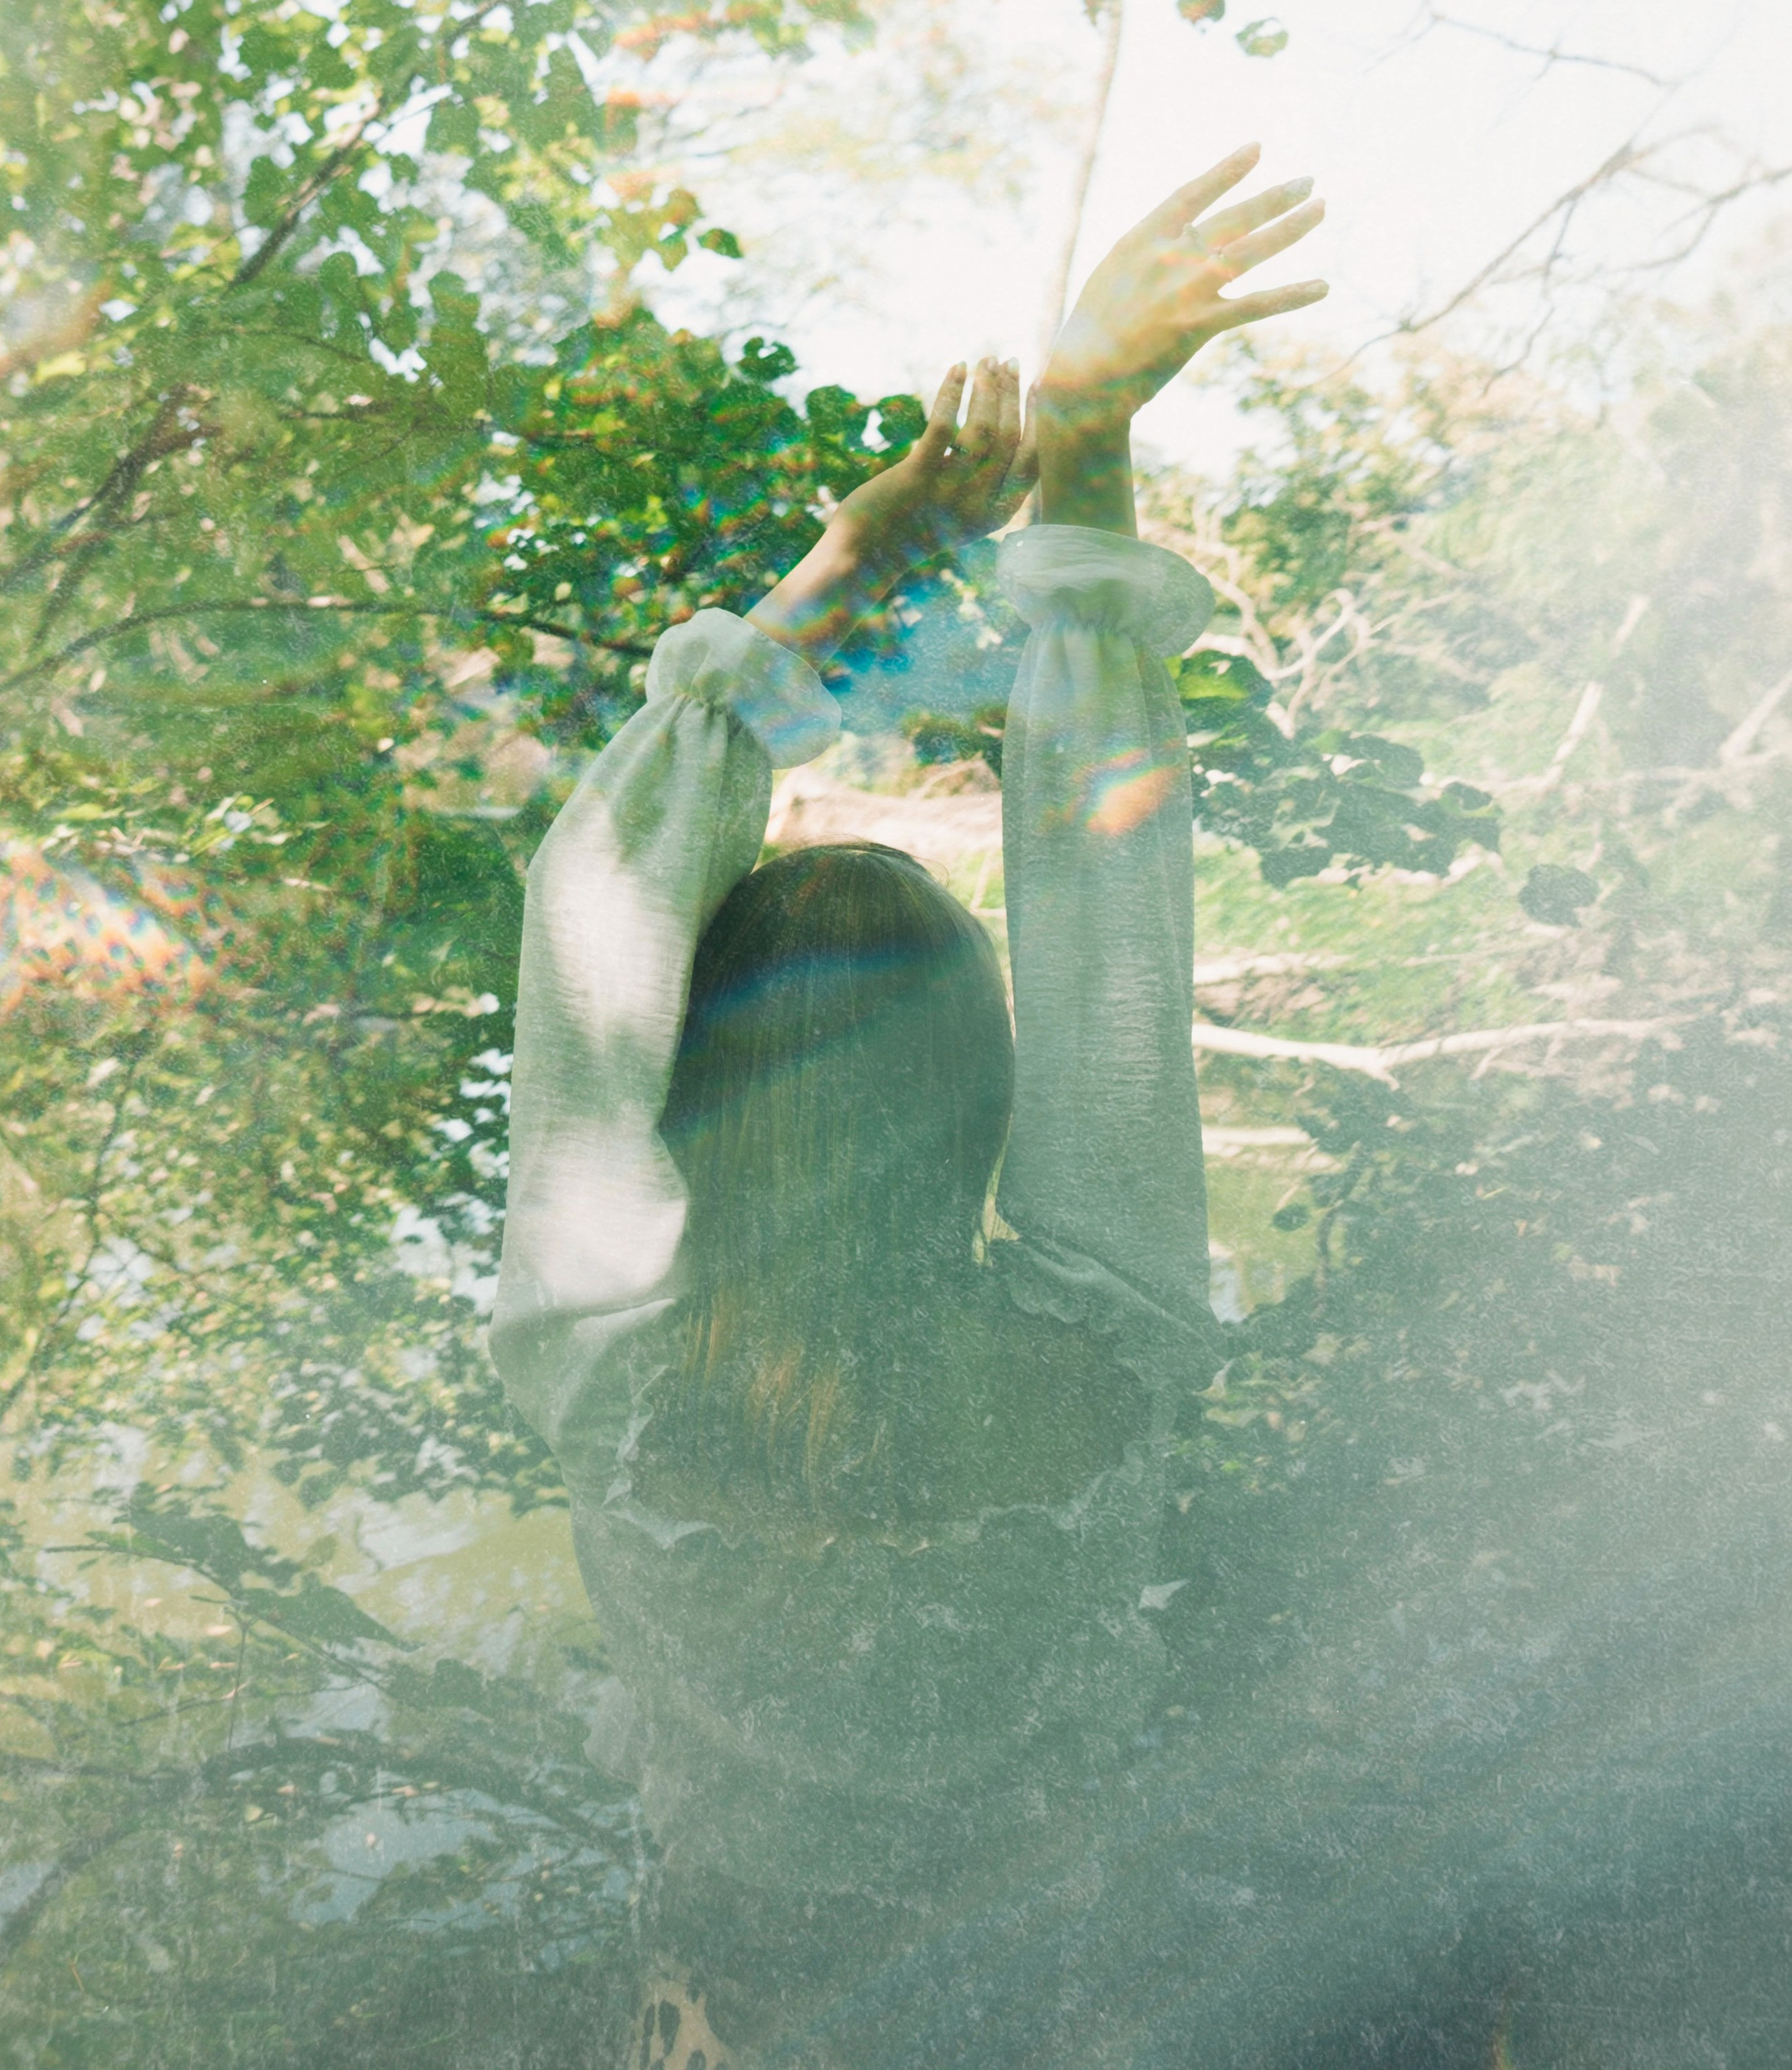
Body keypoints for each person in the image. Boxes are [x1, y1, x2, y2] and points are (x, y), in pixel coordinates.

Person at [488, 148, 1328, 2067]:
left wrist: (848, 570)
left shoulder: (610, 1361)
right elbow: (1116, 943)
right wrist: (1089, 453)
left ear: (696, 1109)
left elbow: (594, 920)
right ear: (981, 1101)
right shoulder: (1101, 1335)